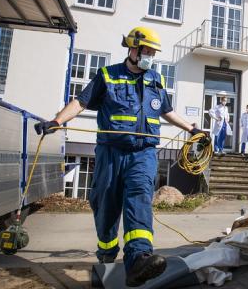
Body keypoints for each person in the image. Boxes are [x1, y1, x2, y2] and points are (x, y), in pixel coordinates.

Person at [34, 26, 209, 287]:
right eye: (147, 51)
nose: (150, 56)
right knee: (105, 205)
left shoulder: (155, 80)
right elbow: (81, 102)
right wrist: (57, 121)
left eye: (153, 52)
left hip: (143, 154)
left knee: (139, 199)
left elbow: (167, 111)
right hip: (110, 154)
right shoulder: (108, 76)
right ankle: (106, 250)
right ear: (133, 49)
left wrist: (193, 129)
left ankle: (138, 259)